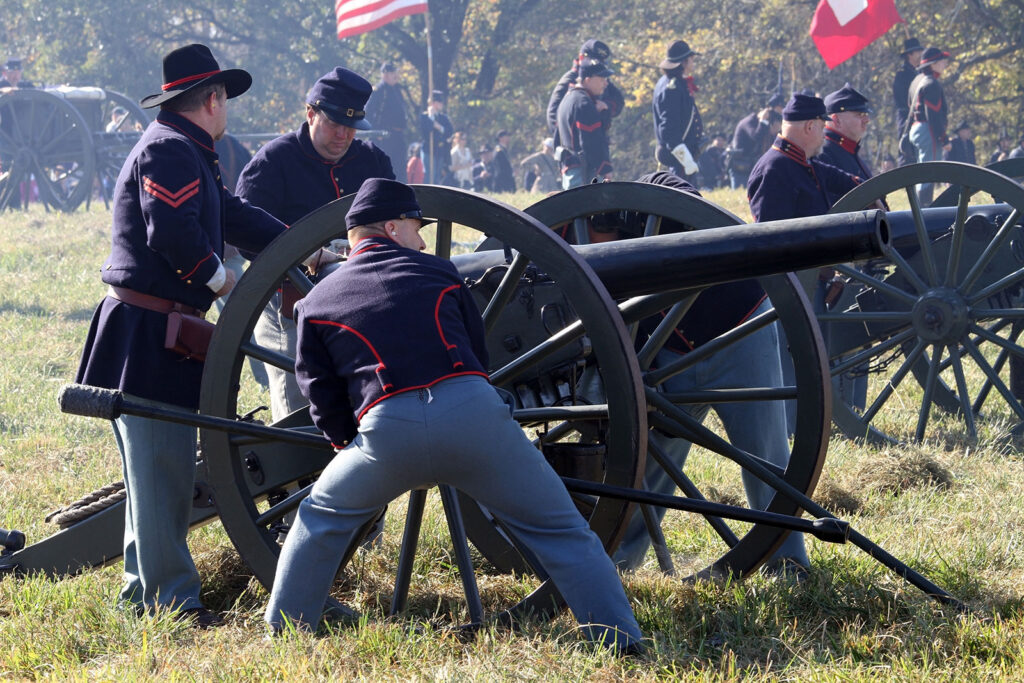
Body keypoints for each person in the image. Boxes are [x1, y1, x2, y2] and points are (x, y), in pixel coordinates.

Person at [263, 178, 645, 654]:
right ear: (391, 226)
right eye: (416, 227)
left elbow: (319, 392)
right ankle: (620, 642)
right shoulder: (442, 274)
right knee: (563, 533)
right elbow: (477, 354)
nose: (422, 239)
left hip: (386, 432)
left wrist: (350, 446)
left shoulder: (315, 303)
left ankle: (282, 637)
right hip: (473, 416)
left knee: (318, 518)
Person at [73, 44, 286, 627]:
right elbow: (170, 231)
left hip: (158, 326)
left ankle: (144, 595)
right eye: (226, 101)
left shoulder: (189, 150)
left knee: (153, 474)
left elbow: (231, 214)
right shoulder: (169, 151)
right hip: (150, 330)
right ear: (212, 99)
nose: (228, 111)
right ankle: (170, 601)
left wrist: (302, 243)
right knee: (162, 471)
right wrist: (226, 285)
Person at [565, 171, 809, 578]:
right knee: (647, 465)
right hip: (666, 357)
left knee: (765, 454)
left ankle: (785, 562)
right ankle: (620, 562)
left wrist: (633, 217)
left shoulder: (658, 185)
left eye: (593, 235)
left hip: (738, 331)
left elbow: (689, 203)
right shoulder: (579, 246)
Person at [235, 67, 394, 424]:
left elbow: (399, 221)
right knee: (299, 407)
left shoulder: (372, 161)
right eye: (334, 124)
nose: (343, 135)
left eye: (351, 127)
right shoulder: (273, 162)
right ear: (310, 114)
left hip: (363, 300)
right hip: (289, 302)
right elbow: (245, 236)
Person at [747, 94, 862, 432]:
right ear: (811, 126)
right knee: (793, 362)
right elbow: (774, 241)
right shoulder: (774, 168)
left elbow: (842, 180)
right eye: (823, 128)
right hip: (793, 286)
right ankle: (793, 427)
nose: (825, 137)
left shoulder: (803, 162)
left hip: (815, 281)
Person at [546, 39, 624, 147]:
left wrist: (606, 106)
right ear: (582, 58)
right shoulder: (568, 80)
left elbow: (619, 101)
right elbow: (553, 117)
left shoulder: (602, 80)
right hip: (574, 150)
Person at [556, 59, 615, 189]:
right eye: (602, 79)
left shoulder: (569, 98)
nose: (605, 83)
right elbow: (591, 142)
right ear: (587, 79)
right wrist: (605, 168)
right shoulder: (584, 103)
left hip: (571, 168)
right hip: (583, 173)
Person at [652, 40, 704, 183]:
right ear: (683, 63)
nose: (693, 63)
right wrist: (686, 159)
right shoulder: (671, 89)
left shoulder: (676, 83)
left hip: (683, 154)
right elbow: (668, 129)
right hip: (678, 157)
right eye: (691, 59)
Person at [907, 47, 953, 204]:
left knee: (923, 171)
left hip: (916, 128)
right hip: (928, 130)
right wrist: (944, 138)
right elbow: (933, 115)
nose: (945, 64)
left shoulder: (916, 81)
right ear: (933, 65)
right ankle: (924, 208)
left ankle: (922, 207)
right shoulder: (932, 83)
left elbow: (909, 107)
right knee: (929, 172)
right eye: (941, 61)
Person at [364, 61, 410, 182]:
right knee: (387, 170)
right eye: (392, 72)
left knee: (400, 170)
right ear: (385, 74)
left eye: (396, 72)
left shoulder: (397, 90)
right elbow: (368, 113)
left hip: (398, 137)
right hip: (385, 138)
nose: (396, 75)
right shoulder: (379, 91)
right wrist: (376, 132)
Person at [728, 98, 783, 190]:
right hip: (740, 166)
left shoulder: (764, 127)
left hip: (752, 166)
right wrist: (763, 120)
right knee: (739, 194)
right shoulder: (749, 121)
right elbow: (756, 136)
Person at [893, 37, 924, 165]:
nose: (920, 55)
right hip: (907, 116)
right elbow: (900, 98)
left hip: (919, 117)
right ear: (909, 54)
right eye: (917, 52)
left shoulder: (920, 72)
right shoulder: (902, 74)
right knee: (907, 152)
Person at [418, 90, 454, 184]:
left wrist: (439, 127)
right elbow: (426, 132)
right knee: (430, 175)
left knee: (437, 177)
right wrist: (431, 118)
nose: (442, 104)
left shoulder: (443, 118)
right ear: (433, 103)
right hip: (428, 149)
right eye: (439, 102)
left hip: (440, 150)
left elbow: (450, 132)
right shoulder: (424, 116)